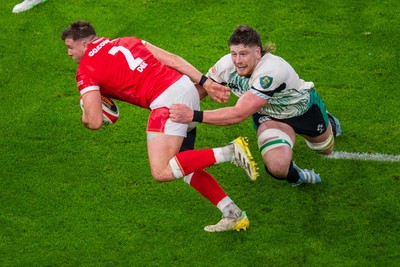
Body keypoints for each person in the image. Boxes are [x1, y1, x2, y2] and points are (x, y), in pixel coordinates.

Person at [61, 20, 258, 232]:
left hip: (167, 105)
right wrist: (205, 82)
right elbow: (174, 60)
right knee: (183, 165)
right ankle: (232, 212)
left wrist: (85, 114)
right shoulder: (128, 41)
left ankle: (230, 152)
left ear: (83, 45)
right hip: (185, 88)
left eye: (70, 47)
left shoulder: (85, 70)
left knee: (162, 171)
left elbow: (95, 121)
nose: (69, 54)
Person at [170, 25, 342, 187]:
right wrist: (168, 105)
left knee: (325, 150)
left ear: (258, 52)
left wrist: (193, 115)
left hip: (303, 111)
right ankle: (297, 176)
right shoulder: (226, 65)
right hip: (269, 117)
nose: (237, 61)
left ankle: (330, 122)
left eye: (243, 54)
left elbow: (238, 114)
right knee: (278, 167)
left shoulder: (271, 70)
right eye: (234, 53)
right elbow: (200, 90)